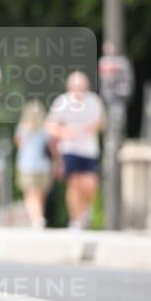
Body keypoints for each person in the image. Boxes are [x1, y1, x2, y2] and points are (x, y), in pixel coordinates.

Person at [45, 71, 106, 230]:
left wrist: (93, 127)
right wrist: (64, 132)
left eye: (81, 86)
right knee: (74, 184)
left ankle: (85, 211)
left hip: (89, 150)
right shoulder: (62, 101)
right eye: (76, 86)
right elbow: (50, 126)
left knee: (90, 184)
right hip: (69, 149)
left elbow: (102, 122)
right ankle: (76, 219)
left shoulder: (94, 101)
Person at [15, 99, 53, 228]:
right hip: (43, 165)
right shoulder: (45, 128)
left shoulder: (22, 128)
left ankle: (35, 218)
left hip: (26, 165)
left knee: (30, 194)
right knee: (39, 194)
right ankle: (38, 217)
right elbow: (50, 146)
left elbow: (19, 144)